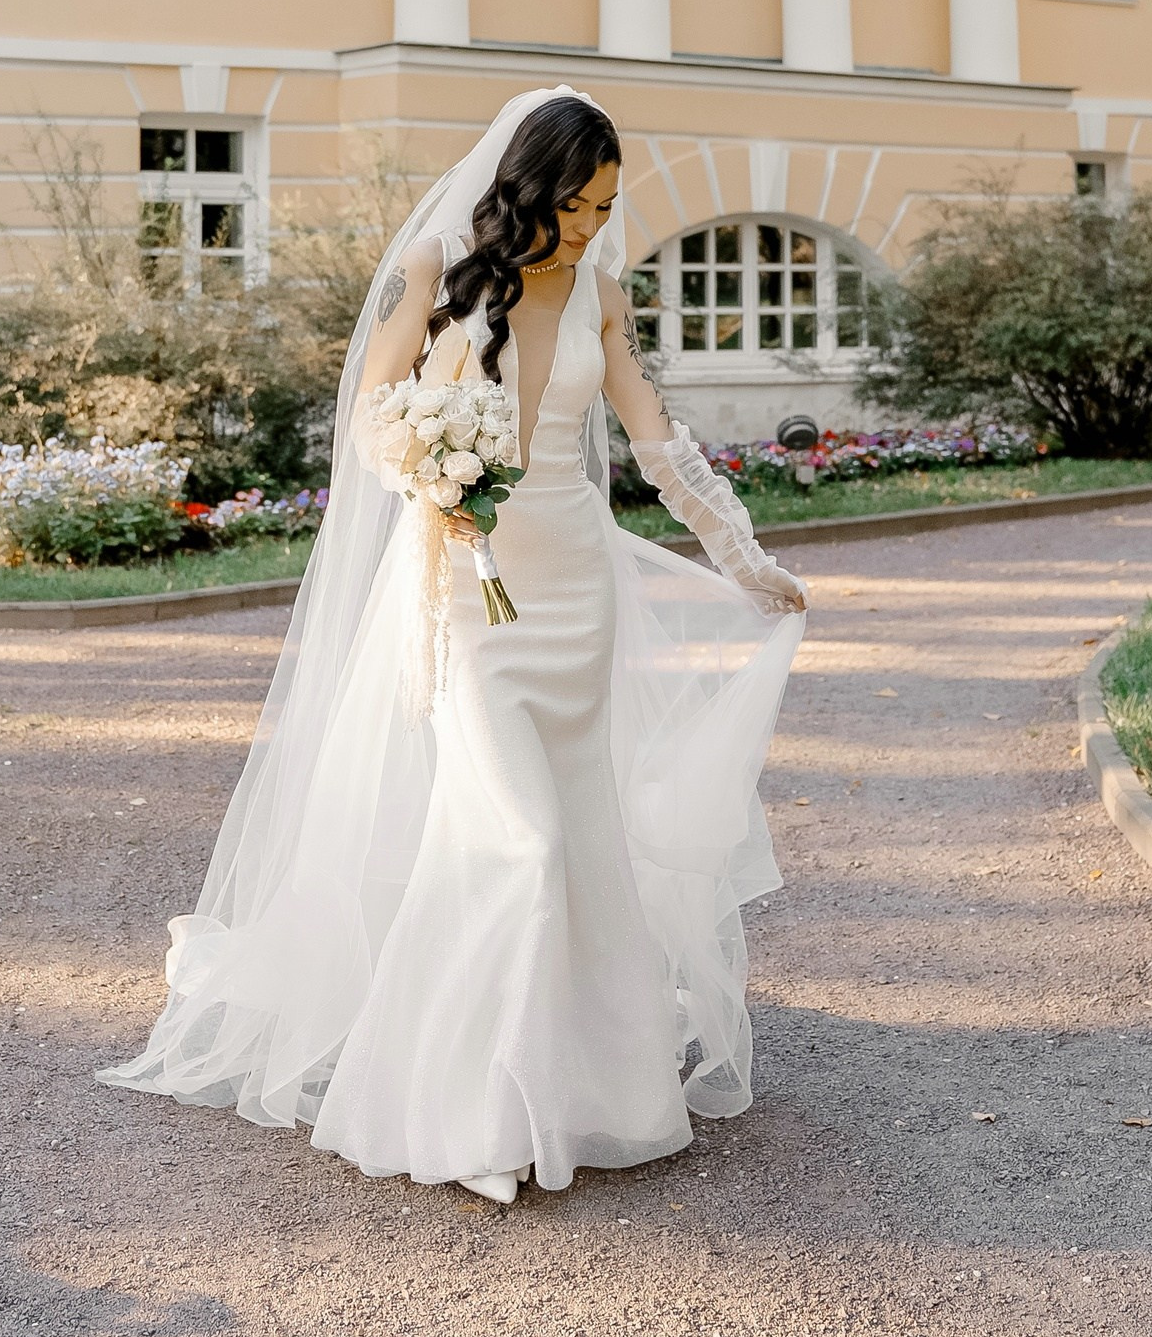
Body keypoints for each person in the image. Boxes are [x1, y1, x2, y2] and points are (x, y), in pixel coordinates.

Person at [102, 88, 807, 1205]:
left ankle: (587, 1095)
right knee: (513, 844)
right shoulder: (438, 269)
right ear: (527, 187)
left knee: (574, 837)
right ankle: (467, 1104)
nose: (589, 226)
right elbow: (373, 417)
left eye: (607, 206)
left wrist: (739, 553)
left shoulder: (601, 289)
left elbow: (655, 442)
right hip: (458, 583)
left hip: (574, 582)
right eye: (575, 204)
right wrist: (433, 478)